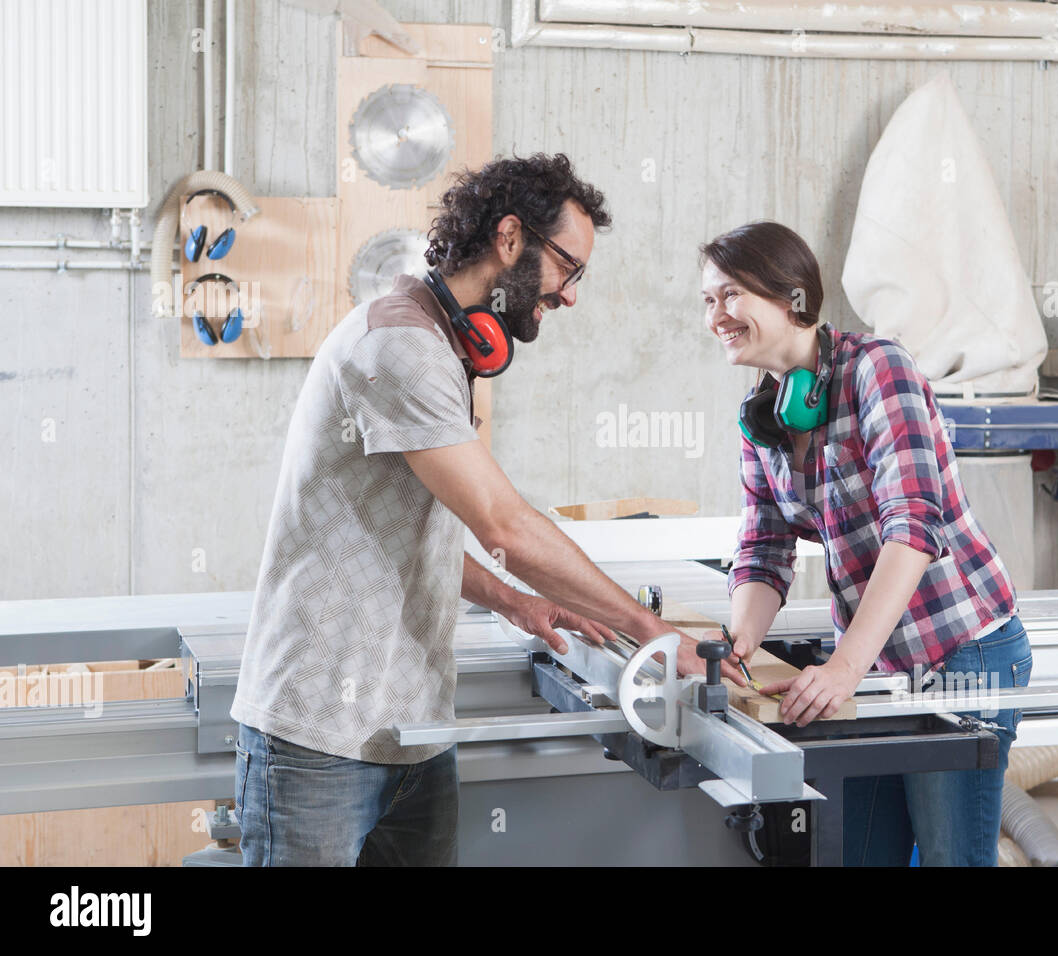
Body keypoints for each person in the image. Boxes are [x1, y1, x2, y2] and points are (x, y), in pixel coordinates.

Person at [230, 153, 742, 866]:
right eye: (568, 267)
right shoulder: (399, 345)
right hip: (322, 735)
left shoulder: (441, 344)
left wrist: (510, 600)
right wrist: (651, 632)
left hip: (412, 731)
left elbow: (409, 526)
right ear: (510, 239)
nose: (568, 295)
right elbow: (504, 523)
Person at [699, 220, 1030, 866]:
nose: (717, 315)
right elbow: (764, 547)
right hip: (880, 663)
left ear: (791, 297)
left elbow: (913, 529)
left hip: (961, 653)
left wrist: (845, 667)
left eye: (731, 295)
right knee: (858, 855)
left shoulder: (879, 370)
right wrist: (737, 652)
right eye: (708, 301)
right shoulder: (761, 415)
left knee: (947, 856)